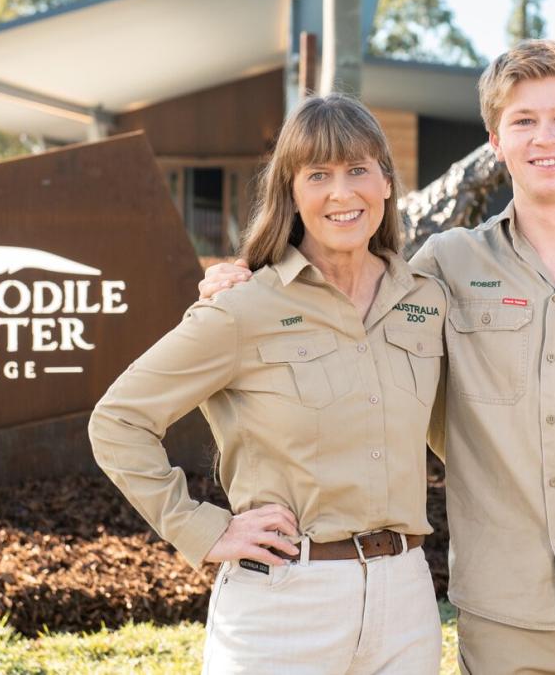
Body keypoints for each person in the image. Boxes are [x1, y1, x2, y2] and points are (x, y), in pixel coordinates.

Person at [202, 40, 555, 674]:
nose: (545, 137)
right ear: (495, 140)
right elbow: (341, 311)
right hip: (506, 620)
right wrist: (248, 284)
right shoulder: (442, 268)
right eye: (523, 120)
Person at [89, 93, 447, 675]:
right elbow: (118, 420)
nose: (342, 192)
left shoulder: (426, 300)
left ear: (386, 181)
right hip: (284, 603)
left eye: (358, 169)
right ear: (292, 193)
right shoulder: (244, 306)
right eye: (318, 175)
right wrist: (204, 530)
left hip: (405, 599)